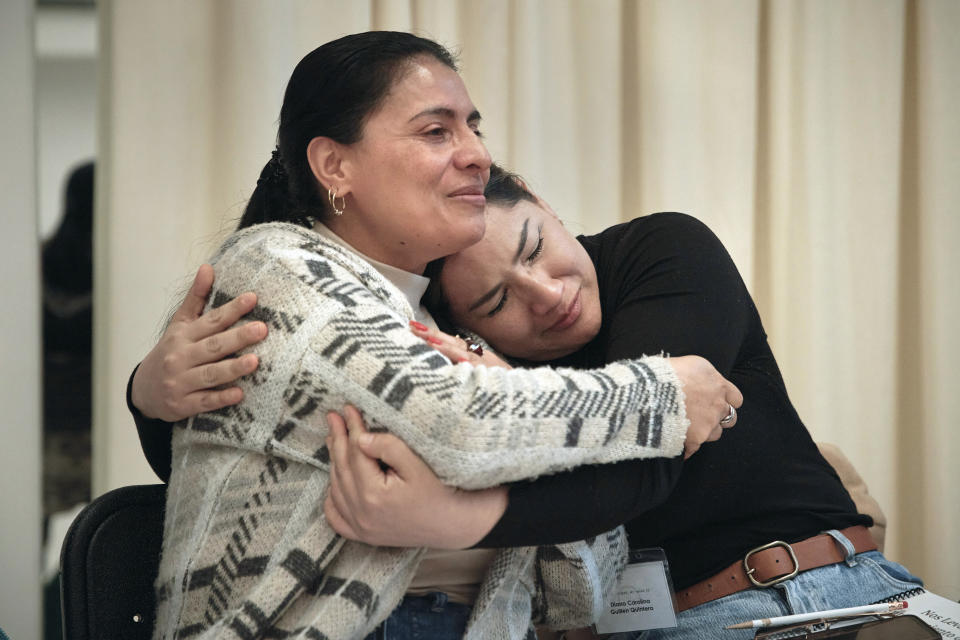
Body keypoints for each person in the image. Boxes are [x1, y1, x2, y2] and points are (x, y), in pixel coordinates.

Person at [136, 32, 741, 640]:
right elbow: (458, 424)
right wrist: (666, 392)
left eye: (473, 127)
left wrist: (491, 485)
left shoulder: (441, 323)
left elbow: (578, 593)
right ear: (334, 166)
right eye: (436, 131)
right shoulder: (277, 266)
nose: (477, 152)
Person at [318, 168, 924, 639]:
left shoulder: (660, 251)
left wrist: (445, 516)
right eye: (498, 303)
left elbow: (641, 458)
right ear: (469, 331)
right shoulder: (480, 380)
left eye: (533, 248)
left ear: (539, 199)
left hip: (829, 590)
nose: (548, 294)